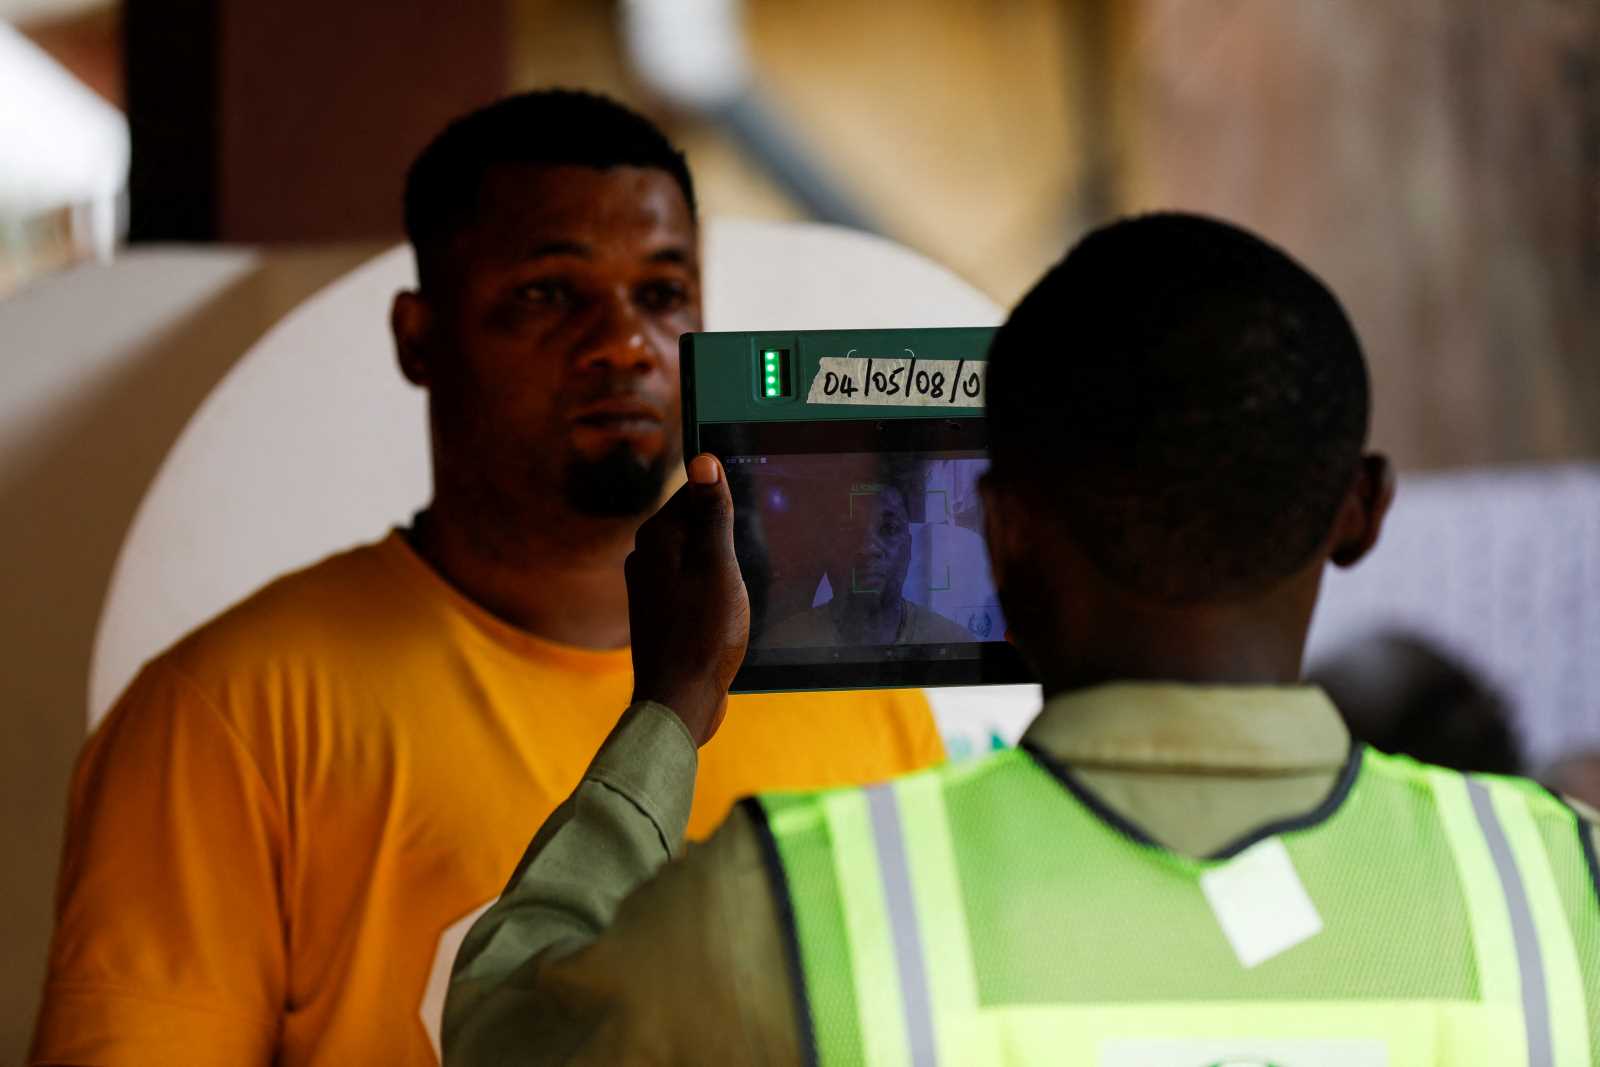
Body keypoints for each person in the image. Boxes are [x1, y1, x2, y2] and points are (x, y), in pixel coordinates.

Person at [445, 213, 1600, 1065]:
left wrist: (667, 710)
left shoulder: (786, 905)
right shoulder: (1564, 889)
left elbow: (503, 1033)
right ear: (1362, 512)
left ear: (997, 527)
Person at [29, 91, 943, 1067]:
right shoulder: (229, 711)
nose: (624, 342)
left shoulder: (861, 689)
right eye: (548, 294)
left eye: (662, 294)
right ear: (418, 336)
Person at [762, 471, 972, 648]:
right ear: (827, 550)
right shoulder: (782, 647)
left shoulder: (954, 643)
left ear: (908, 550)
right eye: (849, 529)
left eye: (889, 528)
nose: (868, 548)